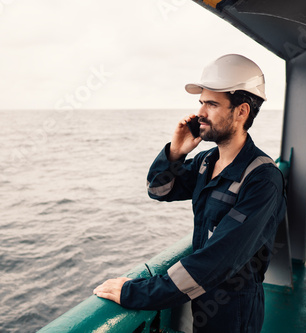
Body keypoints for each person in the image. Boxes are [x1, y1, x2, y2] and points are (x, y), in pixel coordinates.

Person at [94, 54, 287, 332]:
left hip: (234, 311)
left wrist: (135, 292)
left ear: (241, 111)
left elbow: (217, 260)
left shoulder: (263, 179)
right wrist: (176, 152)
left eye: (211, 104)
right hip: (201, 300)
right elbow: (158, 189)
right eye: (201, 103)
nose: (200, 113)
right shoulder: (206, 161)